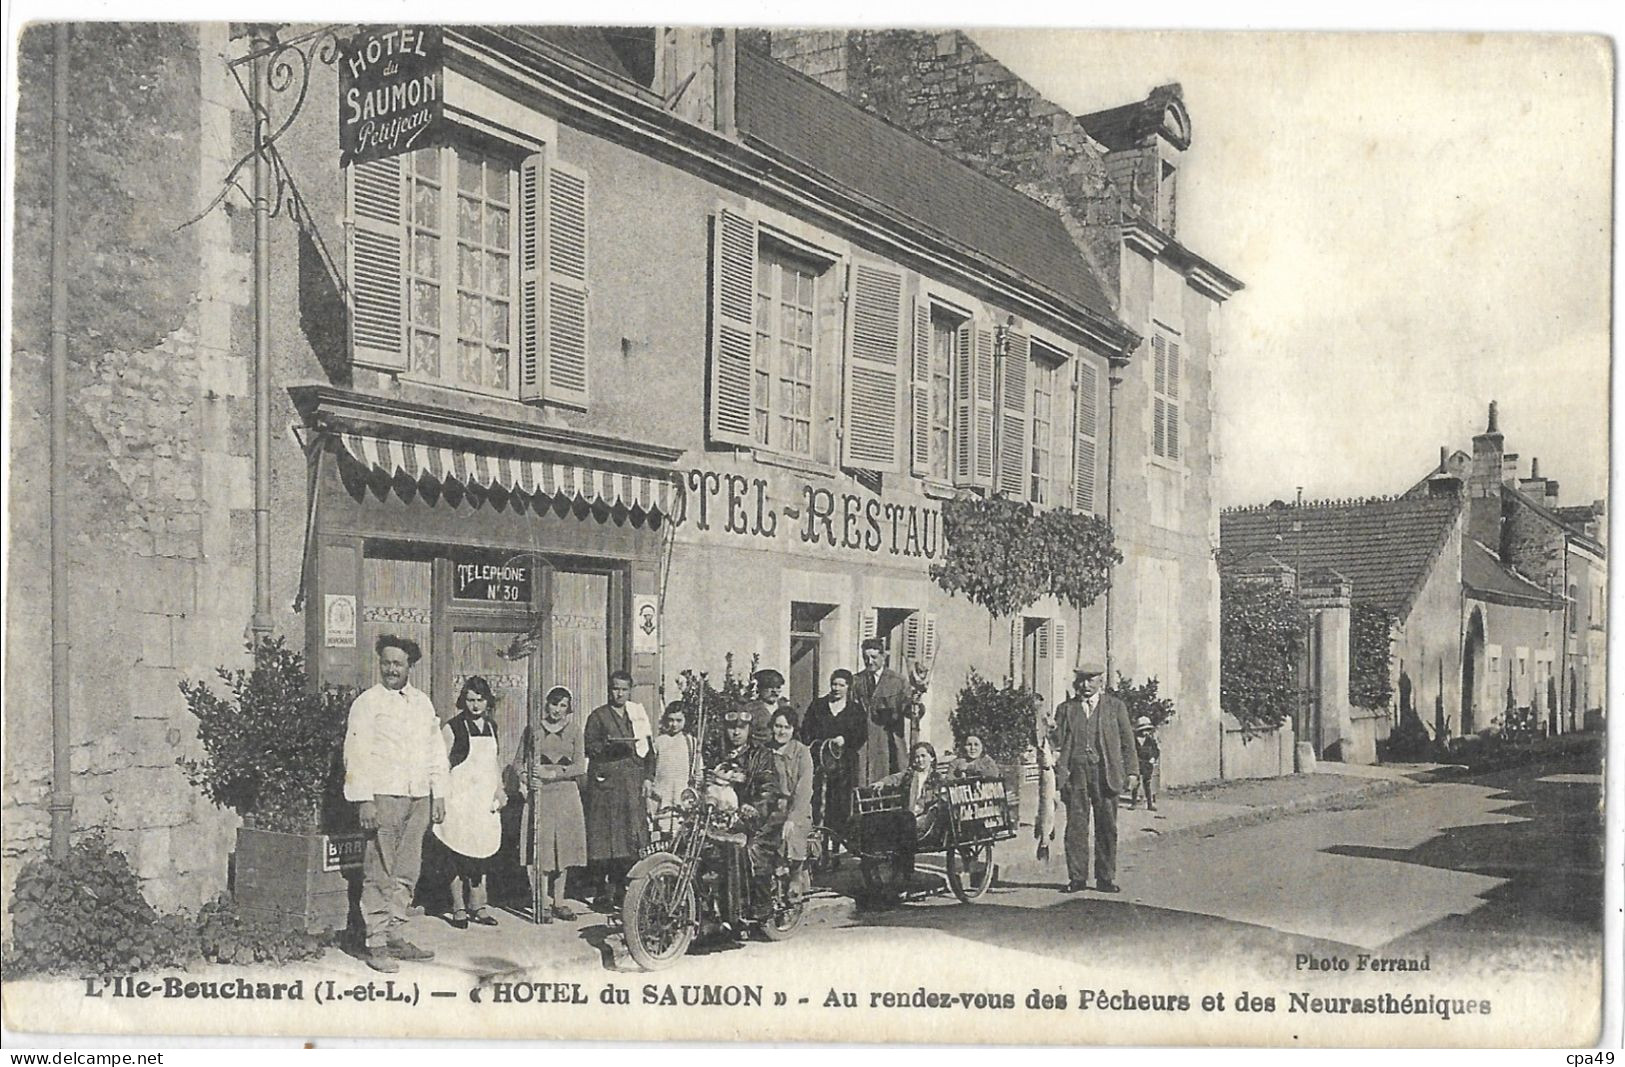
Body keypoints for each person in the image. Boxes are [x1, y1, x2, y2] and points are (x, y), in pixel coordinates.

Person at [343, 635, 447, 972]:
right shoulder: (367, 703)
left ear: (409, 666)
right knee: (379, 872)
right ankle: (375, 942)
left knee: (406, 872)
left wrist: (438, 793)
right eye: (386, 663)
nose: (391, 669)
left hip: (418, 798)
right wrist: (364, 800)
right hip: (383, 798)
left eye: (397, 664)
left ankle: (395, 934)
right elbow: (355, 755)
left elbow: (435, 752)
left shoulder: (422, 704)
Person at [1052, 663, 1138, 894]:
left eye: (1091, 680)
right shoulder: (1066, 709)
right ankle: (1077, 878)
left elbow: (1128, 741)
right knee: (1076, 827)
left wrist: (1132, 772)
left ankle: (1105, 878)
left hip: (1105, 772)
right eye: (1081, 680)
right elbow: (1055, 740)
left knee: (1107, 827)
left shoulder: (1115, 707)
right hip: (1075, 773)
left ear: (1101, 681)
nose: (1085, 685)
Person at [433, 676, 506, 930]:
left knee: (481, 852)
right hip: (459, 801)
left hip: (483, 801)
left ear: (487, 701)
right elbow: (440, 766)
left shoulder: (491, 727)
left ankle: (479, 905)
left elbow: (494, 762)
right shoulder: (452, 728)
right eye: (470, 700)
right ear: (463, 700)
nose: (475, 705)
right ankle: (458, 907)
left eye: (480, 700)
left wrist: (500, 789)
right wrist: (439, 798)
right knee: (456, 851)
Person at [514, 685, 587, 924]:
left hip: (566, 795)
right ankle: (542, 901)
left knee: (563, 849)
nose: (557, 710)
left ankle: (559, 901)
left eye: (563, 705)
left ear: (569, 708)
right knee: (542, 849)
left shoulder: (575, 730)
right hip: (541, 796)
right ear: (547, 705)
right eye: (554, 704)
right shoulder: (533, 730)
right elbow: (519, 765)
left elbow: (580, 766)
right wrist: (528, 779)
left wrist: (554, 774)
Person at [582, 670, 653, 910]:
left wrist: (648, 778)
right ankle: (603, 892)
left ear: (630, 690)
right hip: (607, 786)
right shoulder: (598, 716)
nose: (619, 693)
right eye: (615, 688)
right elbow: (590, 748)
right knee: (606, 838)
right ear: (609, 689)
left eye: (623, 689)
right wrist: (609, 748)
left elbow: (649, 749)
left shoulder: (637, 716)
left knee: (629, 837)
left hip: (632, 785)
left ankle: (625, 889)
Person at [706, 708, 780, 919]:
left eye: (741, 727)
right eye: (731, 727)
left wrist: (755, 807)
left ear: (749, 729)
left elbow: (769, 787)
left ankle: (756, 906)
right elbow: (706, 781)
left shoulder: (761, 755)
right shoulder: (716, 754)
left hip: (755, 819)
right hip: (721, 817)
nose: (736, 732)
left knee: (749, 848)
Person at [798, 669, 867, 844]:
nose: (836, 688)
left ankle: (836, 845)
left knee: (840, 805)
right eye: (834, 684)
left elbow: (862, 734)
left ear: (848, 687)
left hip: (845, 765)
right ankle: (818, 845)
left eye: (841, 685)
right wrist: (816, 744)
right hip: (820, 762)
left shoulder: (855, 709)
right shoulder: (818, 705)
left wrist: (845, 739)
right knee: (817, 802)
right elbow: (806, 730)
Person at [761, 707, 814, 904]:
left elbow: (804, 789)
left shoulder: (801, 752)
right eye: (778, 726)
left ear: (793, 729)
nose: (781, 731)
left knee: (790, 833)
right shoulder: (765, 751)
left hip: (797, 809)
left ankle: (796, 876)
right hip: (769, 809)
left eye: (786, 727)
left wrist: (792, 818)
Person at [875, 741, 951, 861]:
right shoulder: (910, 775)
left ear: (931, 758)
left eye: (923, 756)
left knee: (906, 824)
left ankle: (905, 865)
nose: (920, 760)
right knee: (890, 822)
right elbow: (895, 778)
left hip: (926, 817)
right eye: (917, 757)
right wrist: (882, 782)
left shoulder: (937, 778)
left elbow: (942, 798)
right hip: (909, 813)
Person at [853, 638, 912, 782]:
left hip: (888, 742)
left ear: (883, 656)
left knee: (888, 782)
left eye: (874, 657)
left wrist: (916, 706)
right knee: (863, 784)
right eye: (865, 658)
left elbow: (910, 710)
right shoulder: (856, 681)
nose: (869, 661)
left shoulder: (898, 681)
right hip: (863, 743)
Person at [650, 701, 698, 813]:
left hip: (682, 797)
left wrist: (697, 782)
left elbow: (698, 770)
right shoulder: (659, 742)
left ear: (686, 720)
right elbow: (650, 769)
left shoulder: (691, 742)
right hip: (661, 794)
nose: (674, 724)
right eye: (671, 720)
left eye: (679, 720)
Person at [746, 669, 791, 747]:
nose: (774, 691)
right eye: (769, 687)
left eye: (778, 687)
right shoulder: (750, 709)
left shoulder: (785, 709)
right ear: (759, 688)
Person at [1131, 717, 1161, 812]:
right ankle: (1133, 803)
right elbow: (1131, 752)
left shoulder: (1150, 740)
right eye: (1144, 730)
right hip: (1137, 763)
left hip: (1147, 764)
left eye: (1148, 730)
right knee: (1136, 783)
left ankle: (1149, 804)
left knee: (1147, 784)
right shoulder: (1134, 740)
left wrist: (1153, 758)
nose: (1146, 732)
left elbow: (1156, 751)